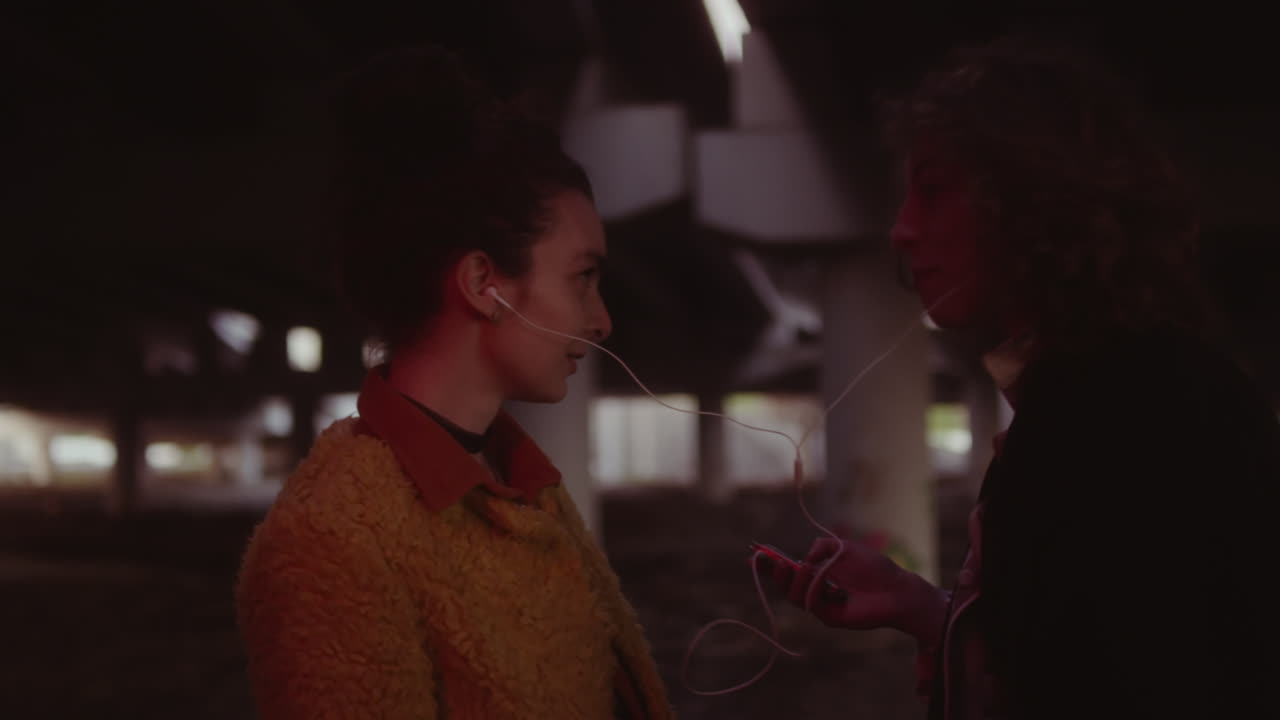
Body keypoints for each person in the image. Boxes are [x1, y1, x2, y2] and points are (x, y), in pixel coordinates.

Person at [772, 33, 1280, 719]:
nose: (901, 230)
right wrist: (927, 611)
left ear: (1036, 201)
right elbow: (1077, 649)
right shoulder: (1098, 393)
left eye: (934, 191)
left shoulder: (1132, 417)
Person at [236, 46, 673, 720]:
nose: (603, 320)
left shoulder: (522, 486)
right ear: (483, 285)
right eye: (582, 276)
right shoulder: (331, 541)